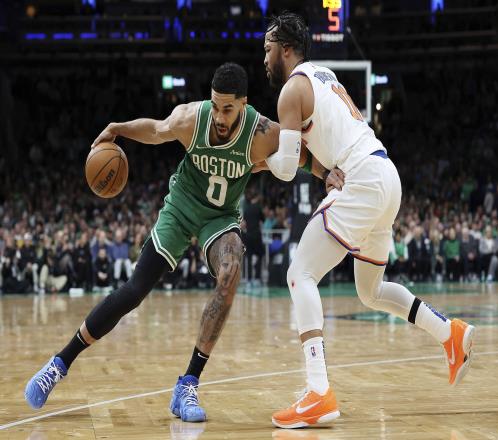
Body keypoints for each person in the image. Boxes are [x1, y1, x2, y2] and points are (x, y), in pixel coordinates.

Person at [24, 62, 340, 422]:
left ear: (244, 103)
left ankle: (187, 384)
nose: (219, 116)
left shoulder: (262, 132)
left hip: (219, 217)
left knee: (231, 271)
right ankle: (59, 363)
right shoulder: (191, 119)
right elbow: (157, 130)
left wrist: (326, 174)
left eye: (228, 109)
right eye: (215, 105)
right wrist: (117, 128)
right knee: (135, 291)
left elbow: (299, 154)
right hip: (181, 208)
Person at [262, 13, 475, 429]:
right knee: (371, 291)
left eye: (267, 49)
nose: (263, 57)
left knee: (299, 274)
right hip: (385, 175)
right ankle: (449, 333)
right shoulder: (323, 76)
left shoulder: (291, 90)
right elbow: (320, 147)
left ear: (285, 49)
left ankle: (318, 391)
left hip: (361, 178)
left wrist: (256, 159)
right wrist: (323, 171)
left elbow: (285, 167)